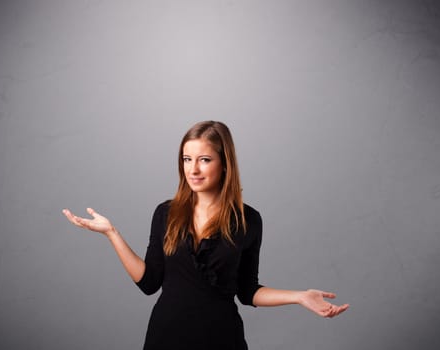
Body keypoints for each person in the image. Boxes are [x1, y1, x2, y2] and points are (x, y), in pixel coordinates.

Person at [62, 120, 349, 350]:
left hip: (221, 339)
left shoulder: (249, 220)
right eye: (187, 159)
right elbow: (149, 282)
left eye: (204, 160)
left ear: (225, 164)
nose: (193, 169)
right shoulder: (166, 213)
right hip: (166, 338)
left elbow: (248, 291)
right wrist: (112, 233)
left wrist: (299, 296)